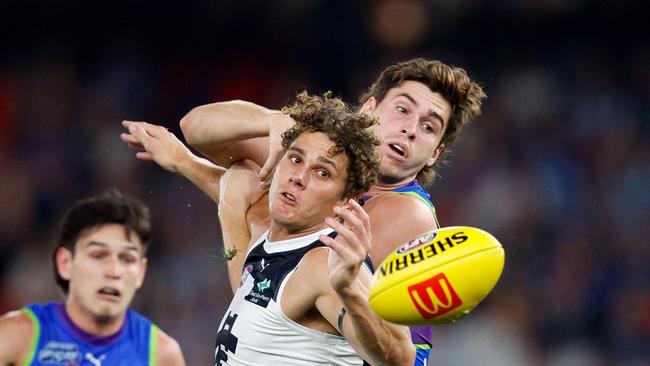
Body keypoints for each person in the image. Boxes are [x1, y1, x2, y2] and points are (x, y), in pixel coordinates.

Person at [175, 57, 486, 364]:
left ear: (435, 153)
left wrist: (203, 179)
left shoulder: (405, 212)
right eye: (403, 110)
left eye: (429, 127)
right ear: (368, 110)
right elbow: (195, 128)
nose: (411, 129)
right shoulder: (323, 161)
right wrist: (270, 120)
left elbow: (262, 287)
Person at [123, 92, 416, 365]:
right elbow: (201, 133)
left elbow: (399, 358)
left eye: (322, 173)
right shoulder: (271, 238)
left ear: (346, 199)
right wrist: (182, 160)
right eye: (295, 158)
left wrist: (350, 290)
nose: (298, 177)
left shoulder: (324, 264)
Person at [0, 190, 186, 366]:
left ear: (140, 272)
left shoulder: (162, 354)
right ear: (65, 263)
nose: (114, 271)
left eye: (127, 259)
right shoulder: (16, 336)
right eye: (98, 255)